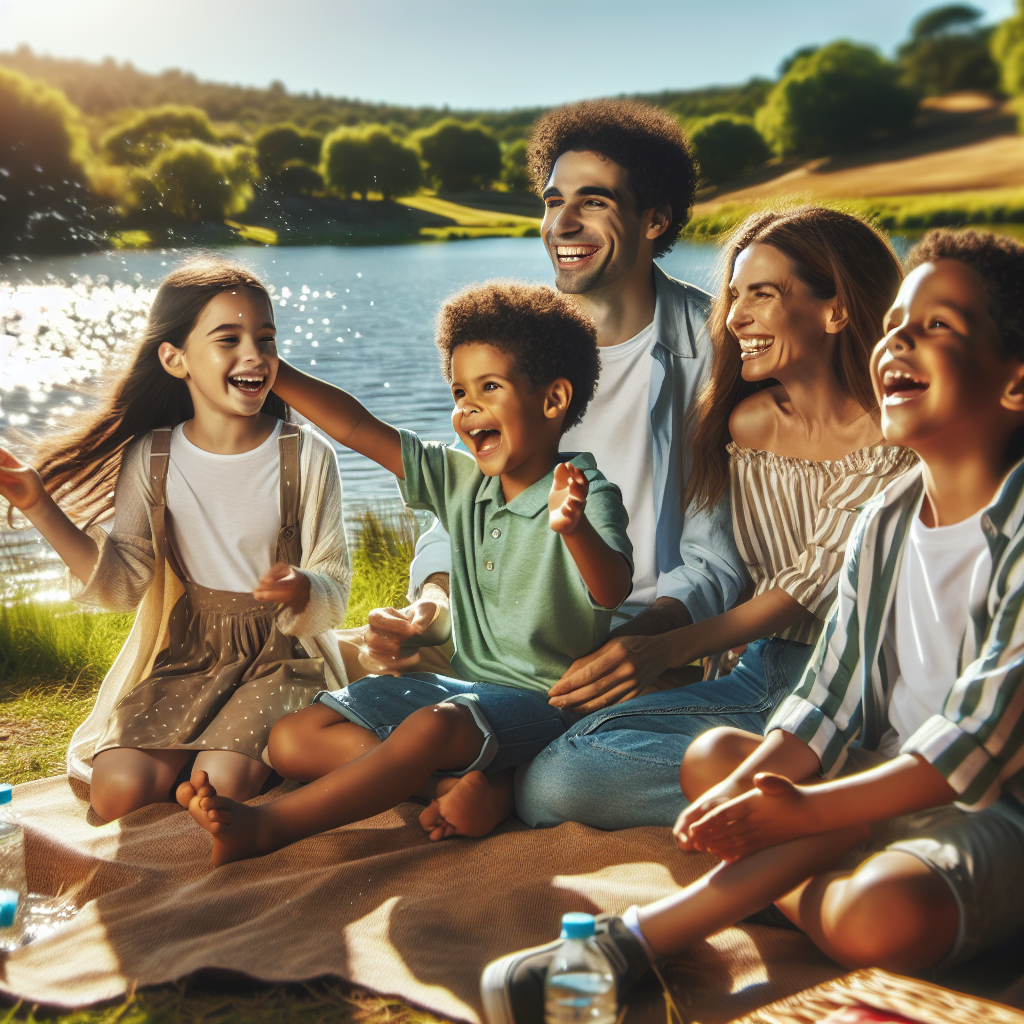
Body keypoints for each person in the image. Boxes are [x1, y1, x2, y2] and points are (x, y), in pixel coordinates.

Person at [480, 230, 1024, 1021]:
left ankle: (636, 937)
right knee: (715, 759)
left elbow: (974, 742)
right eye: (900, 320)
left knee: (876, 914)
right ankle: (815, 848)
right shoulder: (887, 519)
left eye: (938, 326)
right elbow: (831, 699)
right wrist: (756, 784)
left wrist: (803, 813)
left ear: (1015, 384)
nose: (899, 338)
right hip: (872, 773)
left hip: (994, 806)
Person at [179, 282, 633, 865]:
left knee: (427, 729)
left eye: (488, 388)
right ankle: (452, 787)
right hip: (464, 688)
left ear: (552, 400)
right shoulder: (462, 481)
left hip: (548, 702)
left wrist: (574, 530)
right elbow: (357, 429)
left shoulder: (586, 492)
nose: (467, 409)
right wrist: (275, 371)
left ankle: (267, 828)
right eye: (458, 391)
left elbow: (612, 589)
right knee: (292, 739)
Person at [518, 205, 917, 829]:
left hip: (867, 692)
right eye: (734, 295)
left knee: (567, 772)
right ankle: (833, 798)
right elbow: (730, 566)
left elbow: (805, 588)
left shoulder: (900, 436)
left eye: (763, 294)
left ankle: (847, 797)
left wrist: (661, 649)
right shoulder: (747, 427)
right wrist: (647, 644)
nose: (734, 318)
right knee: (557, 777)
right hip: (763, 673)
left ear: (836, 309)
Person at [344, 98, 747, 707]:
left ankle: (490, 762)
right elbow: (463, 501)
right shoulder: (514, 339)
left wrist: (641, 643)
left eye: (594, 201)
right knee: (341, 667)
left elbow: (717, 553)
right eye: (554, 201)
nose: (561, 224)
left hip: (643, 641)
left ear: (655, 219)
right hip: (504, 633)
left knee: (532, 756)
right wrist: (432, 604)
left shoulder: (718, 351)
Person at [0, 257, 350, 822]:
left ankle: (219, 772)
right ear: (175, 358)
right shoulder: (153, 457)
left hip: (280, 657)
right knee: (115, 792)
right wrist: (40, 505)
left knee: (224, 782)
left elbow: (335, 581)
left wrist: (303, 588)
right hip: (190, 653)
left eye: (265, 338)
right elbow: (121, 584)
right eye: (228, 339)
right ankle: (187, 773)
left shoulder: (306, 455)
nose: (254, 356)